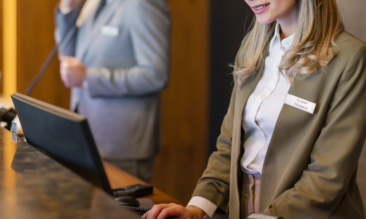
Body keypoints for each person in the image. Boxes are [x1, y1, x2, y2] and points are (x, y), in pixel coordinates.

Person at [142, 0, 366, 218]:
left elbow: (328, 175)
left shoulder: (350, 57)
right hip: (242, 204)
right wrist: (196, 208)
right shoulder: (252, 47)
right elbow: (229, 145)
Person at [54, 0, 171, 182]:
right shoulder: (93, 3)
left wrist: (88, 78)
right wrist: (68, 8)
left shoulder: (143, 4)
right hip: (85, 135)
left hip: (122, 145)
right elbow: (69, 57)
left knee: (119, 210)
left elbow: (156, 75)